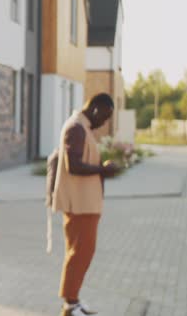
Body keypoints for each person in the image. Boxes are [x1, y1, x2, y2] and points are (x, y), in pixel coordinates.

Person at [51, 93, 119, 316]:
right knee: (79, 253)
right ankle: (70, 305)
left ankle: (73, 301)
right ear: (96, 109)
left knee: (82, 253)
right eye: (106, 116)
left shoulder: (82, 127)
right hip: (80, 205)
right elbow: (74, 165)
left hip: (86, 203)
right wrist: (103, 169)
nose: (105, 122)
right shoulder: (76, 128)